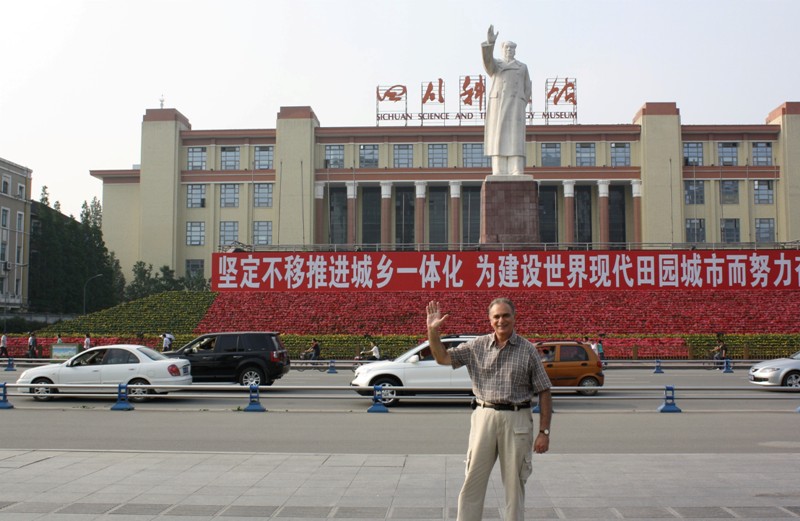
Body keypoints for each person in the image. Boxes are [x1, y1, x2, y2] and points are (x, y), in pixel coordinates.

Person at [426, 298, 552, 521]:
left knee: (515, 485)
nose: (501, 320)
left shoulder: (528, 350)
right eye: (496, 316)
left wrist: (544, 432)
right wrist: (433, 332)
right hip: (484, 416)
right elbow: (442, 358)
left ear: (514, 317)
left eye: (505, 315)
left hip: (517, 419)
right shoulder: (477, 346)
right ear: (490, 320)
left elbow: (544, 391)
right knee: (472, 480)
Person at [481, 25, 532, 176]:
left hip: (516, 105)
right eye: (507, 48)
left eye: (512, 49)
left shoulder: (522, 67)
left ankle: (516, 168)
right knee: (499, 137)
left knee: (515, 137)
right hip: (499, 105)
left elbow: (527, 87)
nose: (509, 51)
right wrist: (490, 44)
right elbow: (487, 62)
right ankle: (499, 169)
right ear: (502, 50)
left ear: (515, 51)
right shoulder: (496, 65)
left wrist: (522, 102)